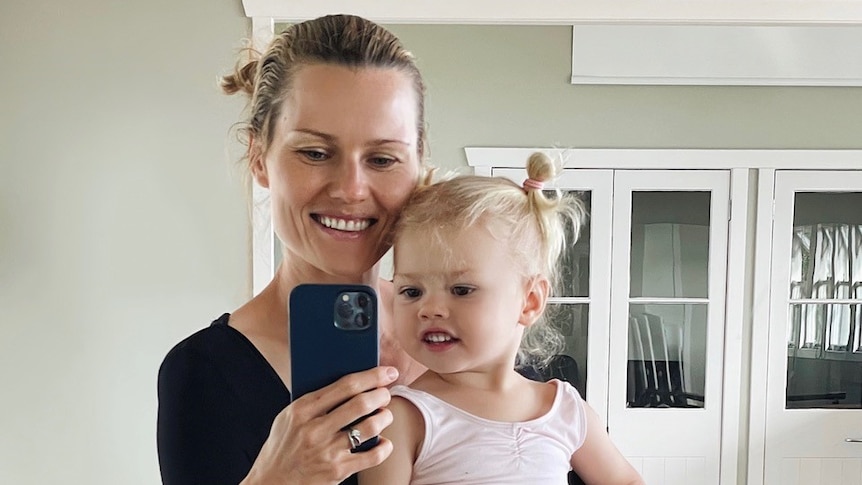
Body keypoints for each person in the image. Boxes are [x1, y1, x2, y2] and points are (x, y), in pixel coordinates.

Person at [157, 14, 429, 485]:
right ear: (260, 158)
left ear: (418, 164)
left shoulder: (472, 335)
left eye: (383, 159)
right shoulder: (202, 376)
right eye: (315, 153)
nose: (351, 189)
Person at [358, 153, 645, 485]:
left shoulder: (564, 410)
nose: (430, 308)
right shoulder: (404, 417)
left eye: (461, 289)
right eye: (411, 291)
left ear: (530, 301)